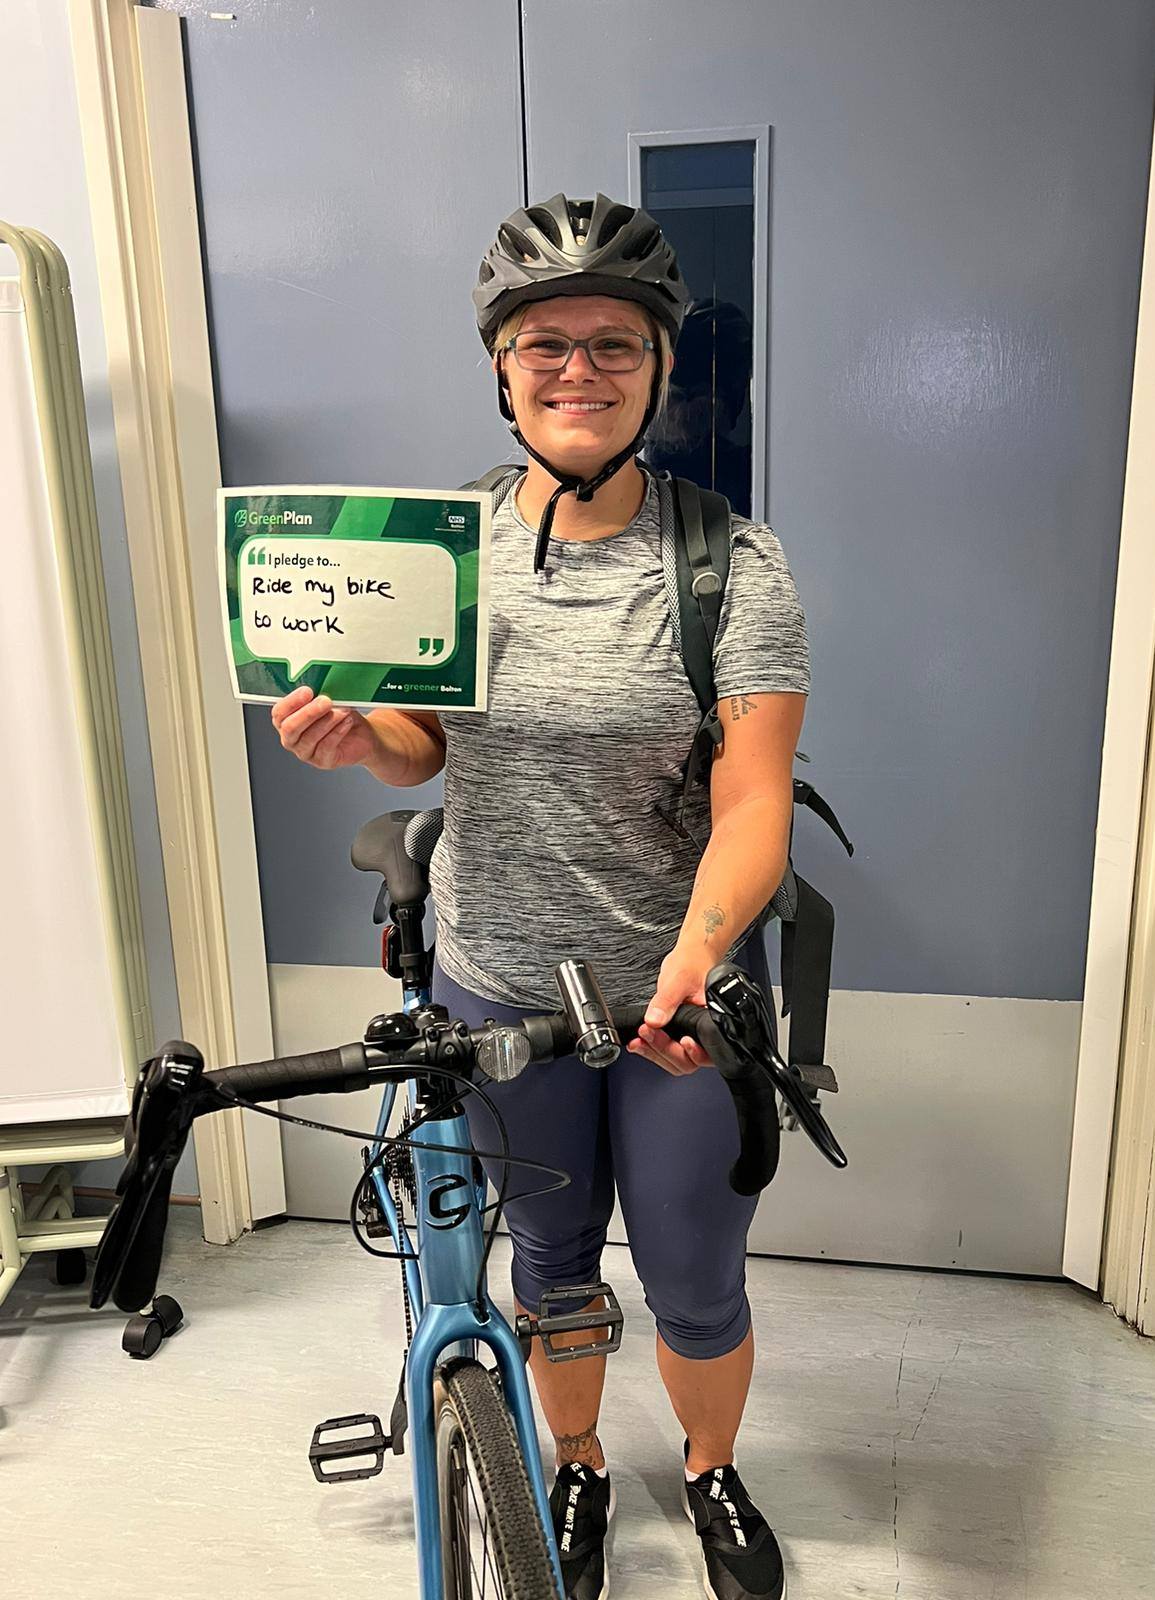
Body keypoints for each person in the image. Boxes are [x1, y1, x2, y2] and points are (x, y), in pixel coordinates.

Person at [270, 193, 810, 1600]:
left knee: (695, 1275)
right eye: (544, 345)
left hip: (671, 989)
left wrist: (700, 953)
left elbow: (754, 800)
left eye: (612, 345)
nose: (577, 371)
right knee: (556, 1266)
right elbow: (426, 743)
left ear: (661, 366)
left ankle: (705, 1471)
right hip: (499, 975)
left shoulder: (730, 565)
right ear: (502, 368)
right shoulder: (443, 549)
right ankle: (573, 1465)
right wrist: (356, 737)